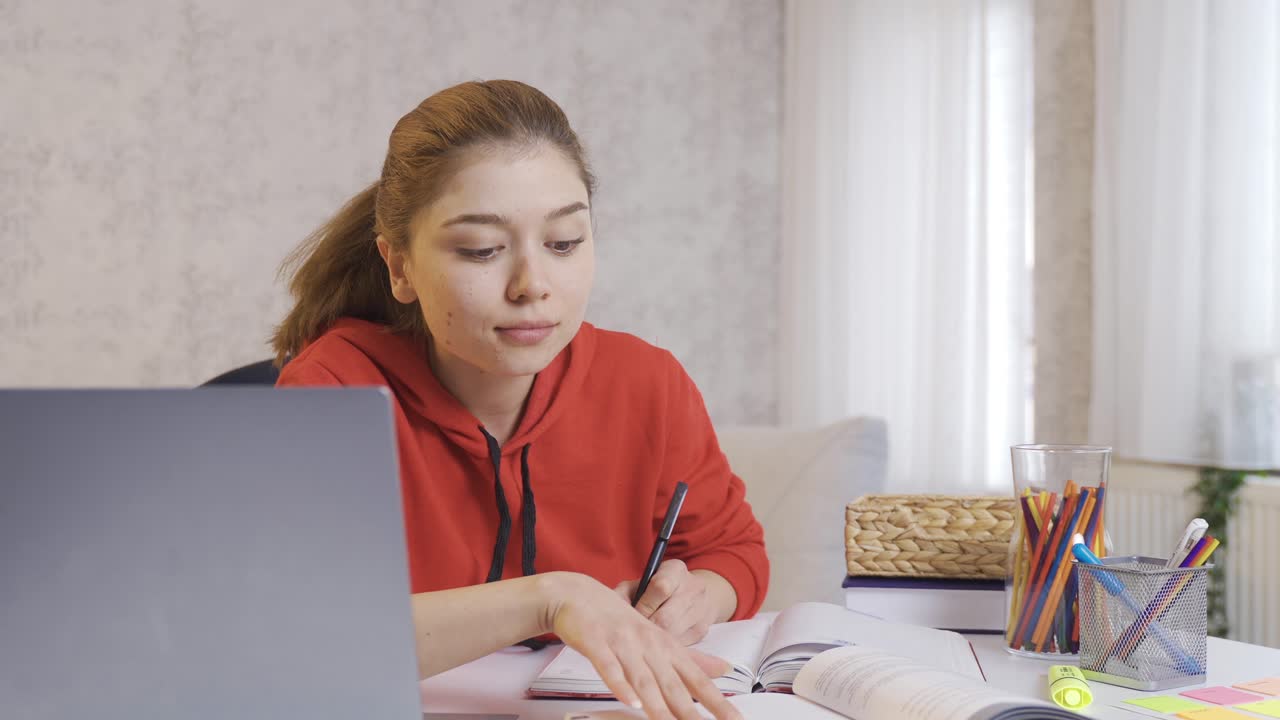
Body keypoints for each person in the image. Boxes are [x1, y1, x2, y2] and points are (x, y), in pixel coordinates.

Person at [272, 79, 767, 720]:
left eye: (564, 243)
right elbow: (307, 631)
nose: (533, 285)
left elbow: (734, 551)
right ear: (399, 267)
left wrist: (702, 593)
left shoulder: (648, 383)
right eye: (482, 250)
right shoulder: (331, 391)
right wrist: (553, 599)